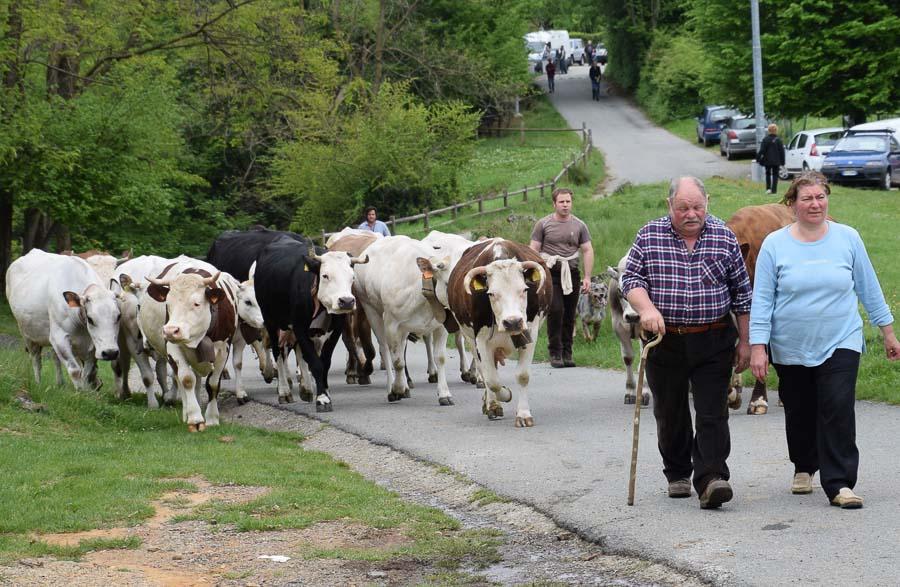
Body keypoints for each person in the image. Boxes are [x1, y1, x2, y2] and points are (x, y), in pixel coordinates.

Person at [749, 171, 899, 509]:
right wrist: (758, 345)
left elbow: (869, 287)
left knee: (837, 406)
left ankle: (840, 483)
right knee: (799, 408)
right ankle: (804, 465)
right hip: (790, 343)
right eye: (807, 199)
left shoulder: (848, 238)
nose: (815, 204)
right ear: (792, 204)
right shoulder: (775, 244)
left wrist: (887, 332)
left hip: (841, 337)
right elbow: (762, 300)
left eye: (820, 197)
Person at [621, 176, 752, 510]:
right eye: (683, 208)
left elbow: (742, 295)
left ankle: (711, 479)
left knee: (712, 411)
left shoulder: (723, 236)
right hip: (665, 340)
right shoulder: (649, 235)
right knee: (670, 410)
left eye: (697, 206)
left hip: (713, 337)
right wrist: (647, 309)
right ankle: (677, 472)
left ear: (707, 202)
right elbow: (631, 278)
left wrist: (746, 343)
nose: (691, 214)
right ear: (670, 207)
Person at [529, 188, 593, 368]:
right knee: (556, 310)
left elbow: (587, 250)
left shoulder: (579, 225)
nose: (565, 205)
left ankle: (567, 353)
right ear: (554, 204)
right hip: (550, 274)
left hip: (571, 273)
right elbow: (533, 248)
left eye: (568, 202)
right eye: (561, 202)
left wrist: (587, 277)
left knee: (570, 314)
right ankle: (554, 352)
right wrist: (534, 273)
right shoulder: (543, 224)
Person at [757, 123, 786, 195]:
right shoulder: (779, 140)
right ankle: (774, 190)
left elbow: (762, 150)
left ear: (769, 130)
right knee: (775, 174)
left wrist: (758, 158)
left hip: (767, 160)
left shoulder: (765, 139)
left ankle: (768, 188)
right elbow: (782, 152)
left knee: (768, 174)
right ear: (776, 130)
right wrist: (782, 162)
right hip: (776, 160)